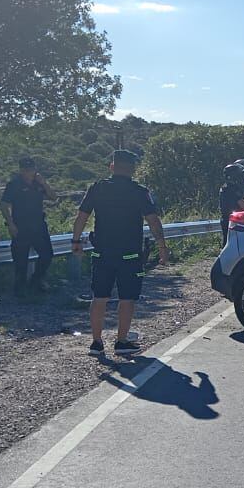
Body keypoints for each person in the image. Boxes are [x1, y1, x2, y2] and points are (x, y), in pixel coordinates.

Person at [71, 150, 169, 357]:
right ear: (132, 169)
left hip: (102, 252)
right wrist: (162, 247)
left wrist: (76, 241)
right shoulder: (139, 191)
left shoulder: (97, 188)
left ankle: (96, 343)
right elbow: (153, 221)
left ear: (112, 166)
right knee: (127, 298)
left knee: (99, 297)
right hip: (130, 255)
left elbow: (81, 217)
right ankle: (121, 342)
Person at [1, 158, 56, 295]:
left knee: (47, 255)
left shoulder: (38, 184)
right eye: (26, 170)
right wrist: (10, 224)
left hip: (38, 226)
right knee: (21, 262)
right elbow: (4, 204)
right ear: (20, 170)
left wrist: (44, 183)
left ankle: (36, 281)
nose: (28, 172)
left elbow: (53, 197)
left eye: (31, 169)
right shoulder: (14, 184)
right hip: (21, 227)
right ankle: (20, 292)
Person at [219, 163, 244, 245]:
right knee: (233, 245)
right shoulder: (232, 189)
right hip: (234, 221)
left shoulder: (226, 187)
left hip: (228, 219)